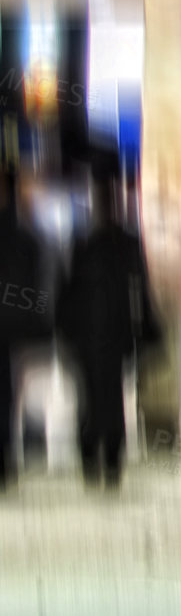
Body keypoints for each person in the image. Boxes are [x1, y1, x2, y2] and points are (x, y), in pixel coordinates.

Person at [56, 176, 156, 489]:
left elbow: (68, 290)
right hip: (110, 333)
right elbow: (140, 289)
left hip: (96, 334)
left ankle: (97, 454)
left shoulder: (85, 242)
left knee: (95, 396)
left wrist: (65, 328)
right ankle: (106, 456)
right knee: (108, 396)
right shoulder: (120, 242)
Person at [0, 167, 47, 490]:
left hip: (10, 330)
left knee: (8, 391)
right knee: (7, 391)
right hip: (13, 328)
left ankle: (5, 454)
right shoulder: (26, 236)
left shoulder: (25, 237)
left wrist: (35, 320)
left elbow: (35, 285)